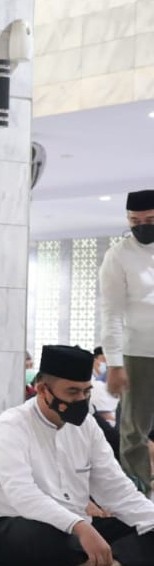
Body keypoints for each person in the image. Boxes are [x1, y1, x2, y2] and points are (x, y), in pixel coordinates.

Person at [0, 345, 154, 566]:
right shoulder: (10, 426)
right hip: (10, 526)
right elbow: (23, 496)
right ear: (42, 390)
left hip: (76, 527)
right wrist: (78, 527)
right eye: (72, 392)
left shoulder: (87, 427)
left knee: (142, 528)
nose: (81, 400)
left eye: (86, 392)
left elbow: (116, 490)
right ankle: (93, 560)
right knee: (47, 537)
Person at [101, 189, 154, 491]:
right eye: (135, 221)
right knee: (134, 432)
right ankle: (137, 500)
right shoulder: (119, 255)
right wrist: (115, 363)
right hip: (138, 353)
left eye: (150, 219)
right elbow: (111, 313)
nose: (142, 226)